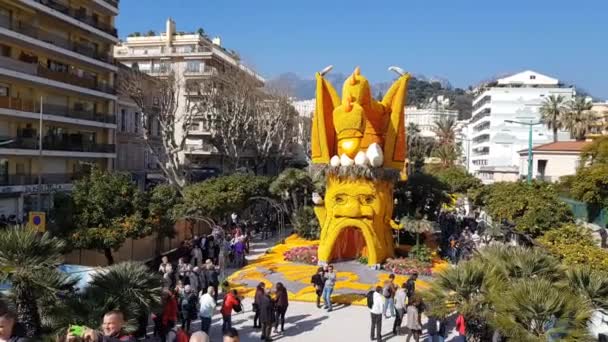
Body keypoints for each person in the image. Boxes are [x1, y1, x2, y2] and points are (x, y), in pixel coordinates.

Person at [68, 311, 135, 342]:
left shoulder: (129, 339)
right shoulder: (98, 335)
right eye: (104, 323)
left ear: (122, 324)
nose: (106, 327)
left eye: (110, 323)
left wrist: (99, 339)